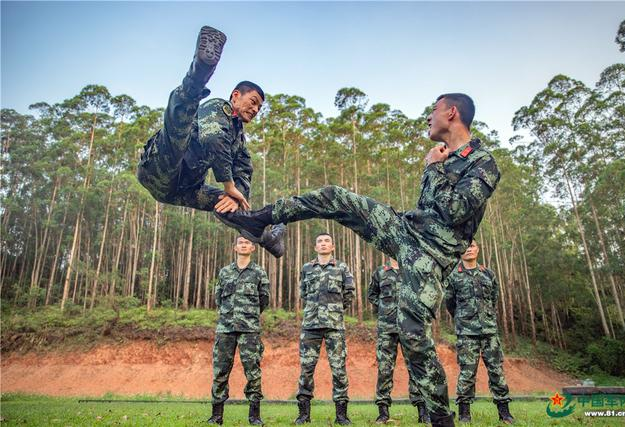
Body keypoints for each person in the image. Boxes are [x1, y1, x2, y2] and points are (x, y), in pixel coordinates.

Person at [221, 93, 501, 427]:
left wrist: (432, 167)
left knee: (412, 333)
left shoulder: (482, 161)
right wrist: (434, 168)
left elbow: (453, 210)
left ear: (451, 112)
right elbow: (427, 207)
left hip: (431, 256)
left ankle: (441, 418)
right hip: (406, 232)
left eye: (434, 110)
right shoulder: (441, 157)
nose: (429, 117)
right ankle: (261, 218)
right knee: (335, 197)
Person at [136, 26, 284, 257]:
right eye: (252, 101)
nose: (255, 109)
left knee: (227, 206)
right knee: (179, 127)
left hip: (182, 189)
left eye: (259, 107)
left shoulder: (240, 141)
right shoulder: (218, 108)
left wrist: (234, 195)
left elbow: (244, 172)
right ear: (236, 95)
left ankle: (269, 238)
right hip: (161, 167)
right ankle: (201, 70)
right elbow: (212, 137)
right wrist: (227, 183)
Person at [444, 240, 515, 424]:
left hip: (489, 332)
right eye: (465, 247)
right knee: (467, 374)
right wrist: (463, 319)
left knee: (496, 371)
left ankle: (504, 412)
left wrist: (487, 319)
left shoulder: (488, 274)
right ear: (459, 251)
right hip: (466, 334)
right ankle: (465, 413)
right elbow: (450, 304)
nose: (469, 249)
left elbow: (494, 299)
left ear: (478, 249)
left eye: (472, 246)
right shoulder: (453, 277)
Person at [294, 233, 355, 425]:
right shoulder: (307, 268)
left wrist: (334, 310)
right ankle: (304, 415)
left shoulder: (342, 268)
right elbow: (303, 292)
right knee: (306, 370)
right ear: (315, 247)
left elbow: (349, 294)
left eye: (327, 241)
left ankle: (341, 415)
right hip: (311, 325)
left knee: (339, 370)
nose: (323, 244)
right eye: (319, 241)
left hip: (334, 326)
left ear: (333, 246)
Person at [209, 236, 270, 425]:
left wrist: (249, 316)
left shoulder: (259, 272)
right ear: (235, 248)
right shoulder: (225, 272)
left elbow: (264, 299)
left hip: (249, 330)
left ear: (253, 248)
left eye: (247, 243)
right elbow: (218, 297)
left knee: (253, 371)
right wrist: (229, 316)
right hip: (225, 329)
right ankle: (217, 416)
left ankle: (254, 416)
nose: (244, 245)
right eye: (240, 243)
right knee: (220, 371)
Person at [368, 257, 429, 424]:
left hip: (410, 327)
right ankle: (383, 411)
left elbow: (423, 295)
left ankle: (422, 410)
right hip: (387, 329)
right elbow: (372, 295)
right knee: (384, 369)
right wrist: (385, 309)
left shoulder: (412, 271)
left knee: (416, 368)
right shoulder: (380, 272)